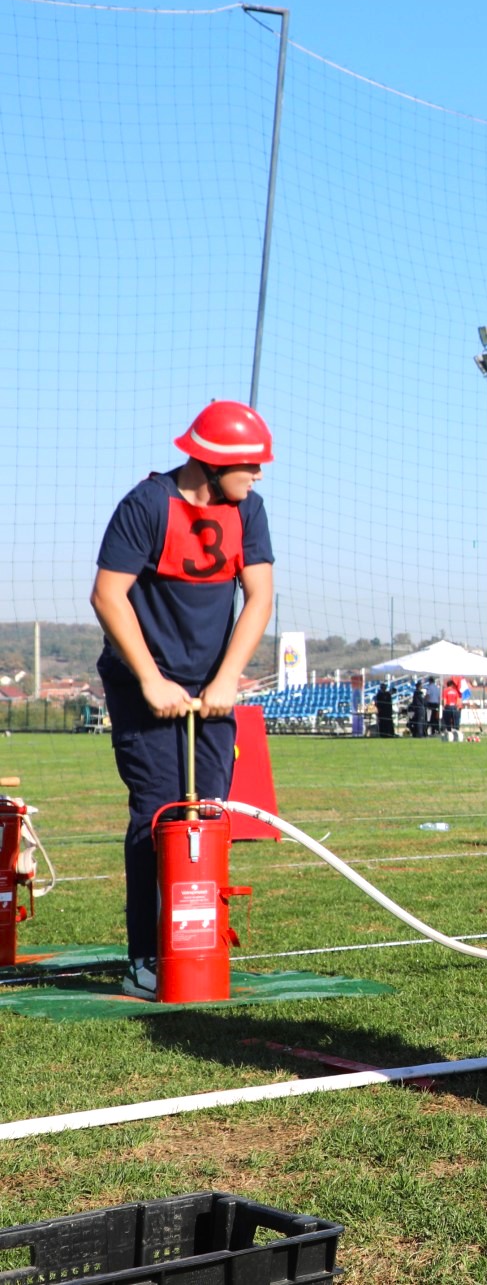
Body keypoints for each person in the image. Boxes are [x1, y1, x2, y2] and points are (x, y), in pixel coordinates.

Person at [90, 400, 275, 1000]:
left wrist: (227, 680)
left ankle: (197, 939)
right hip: (146, 687)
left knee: (208, 817)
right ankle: (148, 957)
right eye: (250, 463)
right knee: (159, 815)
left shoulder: (251, 511)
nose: (259, 474)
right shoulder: (145, 506)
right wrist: (149, 679)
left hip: (213, 691)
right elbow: (108, 595)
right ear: (212, 461)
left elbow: (260, 599)